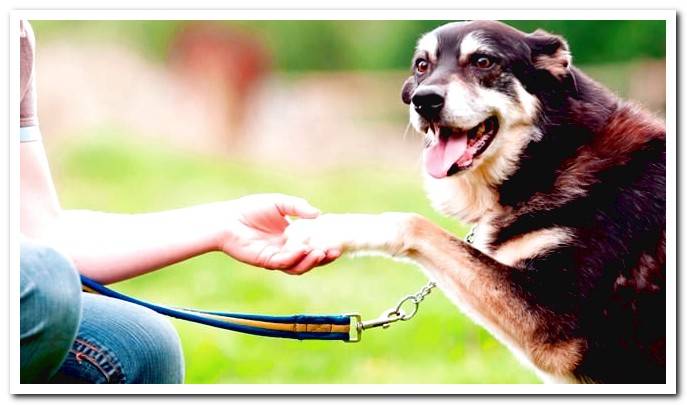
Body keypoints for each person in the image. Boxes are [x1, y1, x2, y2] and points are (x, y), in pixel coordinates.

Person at [19, 20, 340, 384]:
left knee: (143, 344)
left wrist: (226, 223)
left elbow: (40, 233)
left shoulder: (14, 38)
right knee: (46, 285)